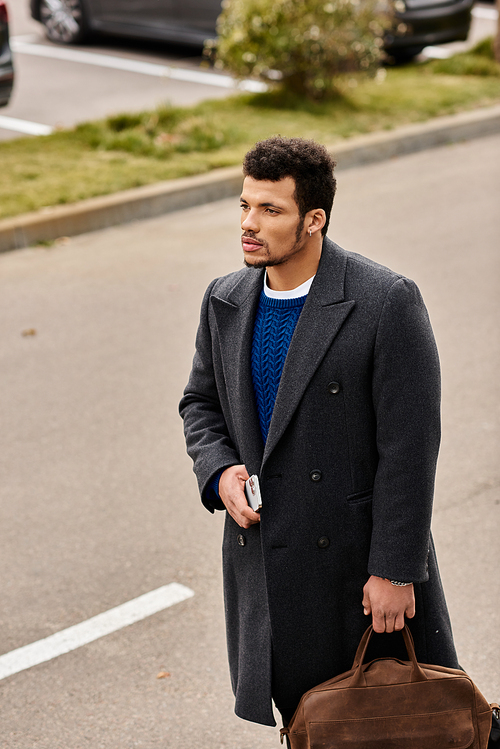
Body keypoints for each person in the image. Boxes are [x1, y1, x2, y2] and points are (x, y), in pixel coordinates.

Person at [179, 136, 459, 729]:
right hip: (269, 572)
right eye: (244, 206)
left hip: (356, 576)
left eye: (270, 211)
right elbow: (200, 403)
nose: (249, 225)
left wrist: (395, 569)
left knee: (385, 727)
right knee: (309, 726)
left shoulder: (384, 300)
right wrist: (220, 471)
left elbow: (410, 448)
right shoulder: (225, 299)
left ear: (315, 219)